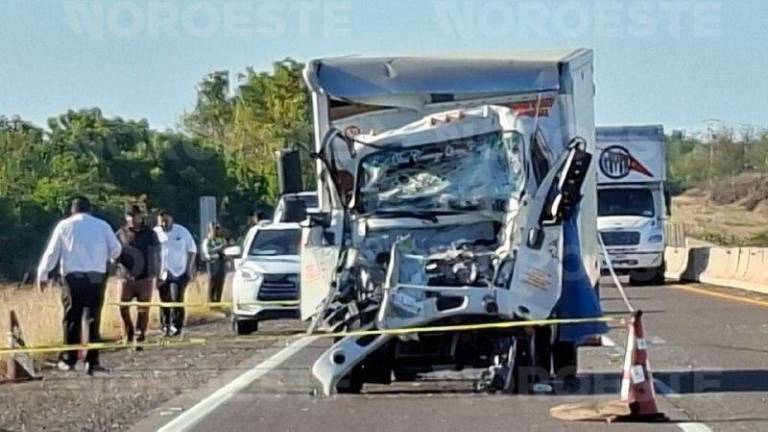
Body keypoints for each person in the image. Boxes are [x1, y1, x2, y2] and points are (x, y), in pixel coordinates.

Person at [37, 196, 121, 375]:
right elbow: (116, 249)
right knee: (93, 318)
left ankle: (70, 359)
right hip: (96, 277)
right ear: (90, 209)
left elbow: (52, 252)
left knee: (72, 318)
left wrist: (43, 274)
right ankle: (92, 361)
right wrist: (107, 258)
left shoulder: (64, 226)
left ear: (72, 210)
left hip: (72, 277)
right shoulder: (102, 225)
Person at [115, 205, 159, 348]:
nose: (133, 219)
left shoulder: (150, 233)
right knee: (123, 306)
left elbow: (156, 253)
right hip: (126, 276)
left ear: (141, 217)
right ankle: (129, 331)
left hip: (145, 276)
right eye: (130, 216)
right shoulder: (120, 234)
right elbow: (114, 253)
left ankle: (140, 335)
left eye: (136, 216)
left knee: (143, 309)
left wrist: (156, 273)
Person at [154, 210, 197, 337]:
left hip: (179, 271)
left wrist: (189, 268)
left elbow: (192, 250)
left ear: (172, 219)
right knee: (164, 300)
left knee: (176, 298)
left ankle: (176, 325)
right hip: (162, 272)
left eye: (166, 220)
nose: (164, 223)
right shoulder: (155, 233)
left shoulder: (182, 232)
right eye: (161, 221)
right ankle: (165, 325)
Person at [202, 222, 227, 303]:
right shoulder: (207, 240)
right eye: (214, 229)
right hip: (212, 263)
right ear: (210, 230)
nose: (216, 231)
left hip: (221, 262)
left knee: (220, 281)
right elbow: (207, 251)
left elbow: (225, 249)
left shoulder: (222, 239)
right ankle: (211, 299)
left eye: (217, 229)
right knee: (212, 281)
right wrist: (219, 248)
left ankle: (218, 299)